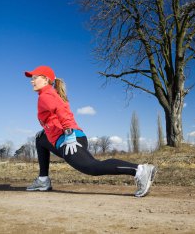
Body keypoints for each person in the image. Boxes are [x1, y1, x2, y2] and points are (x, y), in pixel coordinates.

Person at [24, 65, 157, 197]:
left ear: (46, 80)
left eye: (35, 77)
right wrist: (46, 131)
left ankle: (140, 170)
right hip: (66, 138)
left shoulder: (46, 95)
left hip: (69, 140)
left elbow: (62, 111)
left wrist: (69, 134)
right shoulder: (47, 94)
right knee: (40, 139)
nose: (32, 80)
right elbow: (53, 117)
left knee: (92, 167)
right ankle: (43, 180)